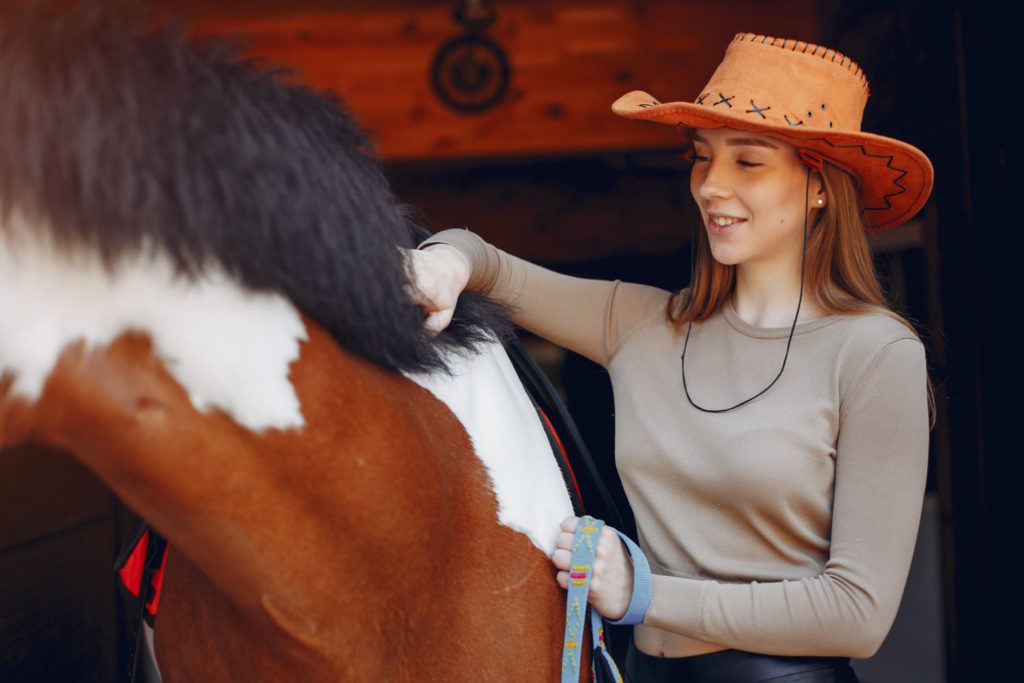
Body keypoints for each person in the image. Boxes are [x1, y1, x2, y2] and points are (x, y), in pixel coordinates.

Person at [408, 33, 932, 683]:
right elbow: (488, 266)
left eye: (748, 161)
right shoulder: (642, 325)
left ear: (819, 186)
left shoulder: (876, 354)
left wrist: (644, 593)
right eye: (701, 157)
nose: (711, 185)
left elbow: (857, 614)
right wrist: (442, 263)